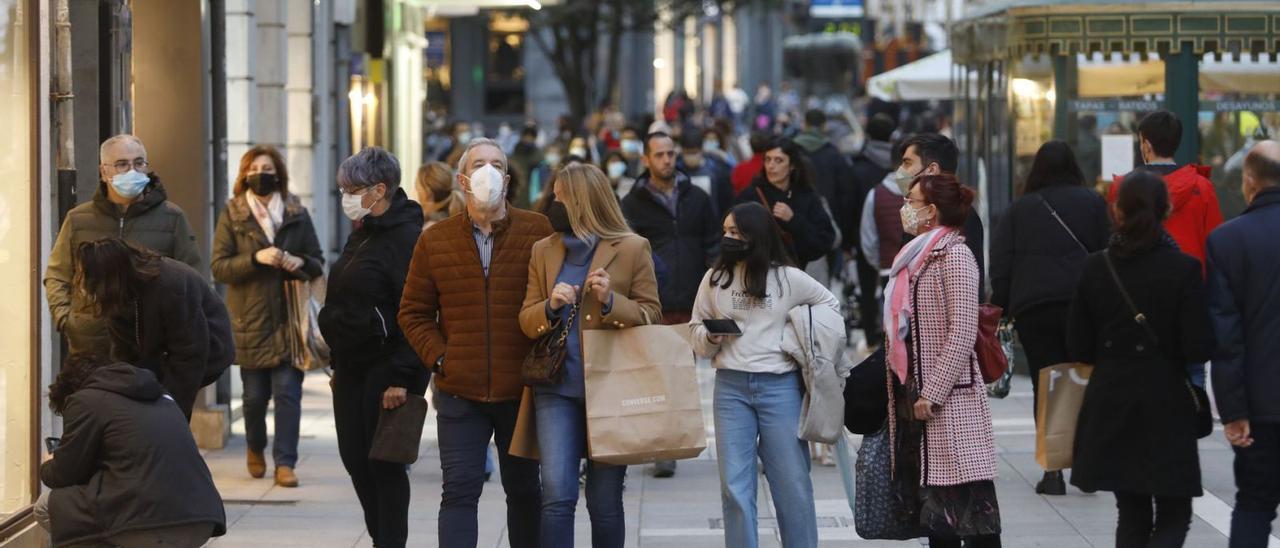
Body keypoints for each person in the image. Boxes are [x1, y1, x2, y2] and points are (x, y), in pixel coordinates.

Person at [398, 138, 550, 548]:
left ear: (507, 177)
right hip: (459, 392)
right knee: (460, 492)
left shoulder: (537, 231)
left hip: (520, 390)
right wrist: (441, 358)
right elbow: (412, 312)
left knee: (524, 492)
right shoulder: (435, 240)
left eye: (497, 164)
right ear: (463, 178)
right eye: (480, 164)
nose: (489, 171)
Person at [517, 163, 662, 548]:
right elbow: (525, 320)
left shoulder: (631, 248)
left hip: (612, 388)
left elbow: (652, 315)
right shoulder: (543, 251)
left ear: (583, 200)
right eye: (553, 194)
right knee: (558, 495)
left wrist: (611, 301)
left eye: (560, 196)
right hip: (556, 387)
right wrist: (549, 306)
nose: (553, 202)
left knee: (605, 500)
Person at [1068, 170, 1214, 547]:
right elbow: (1199, 345)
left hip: (1112, 398)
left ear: (1116, 211)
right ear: (1165, 210)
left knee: (1130, 511)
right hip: (1166, 400)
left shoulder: (1096, 267)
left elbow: (1078, 346)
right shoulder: (1183, 269)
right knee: (1175, 511)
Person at [687, 201, 835, 547]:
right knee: (734, 487)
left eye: (735, 232)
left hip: (780, 387)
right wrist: (709, 337)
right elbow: (694, 329)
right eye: (725, 231)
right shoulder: (715, 278)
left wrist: (797, 337)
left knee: (792, 484)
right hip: (730, 389)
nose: (728, 238)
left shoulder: (787, 278)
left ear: (756, 235)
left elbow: (830, 307)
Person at [319, 147, 431, 548]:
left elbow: (416, 310)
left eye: (351, 188)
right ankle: (381, 537)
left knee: (383, 463)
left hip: (389, 368)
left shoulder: (406, 238)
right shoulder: (363, 231)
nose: (344, 196)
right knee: (355, 459)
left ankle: (388, 542)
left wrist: (403, 377)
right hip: (351, 366)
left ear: (379, 189)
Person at [885, 174, 1001, 548]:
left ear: (931, 210)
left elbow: (963, 331)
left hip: (950, 400)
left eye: (912, 200)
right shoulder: (918, 256)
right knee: (942, 518)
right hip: (924, 399)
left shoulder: (955, 255)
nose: (906, 207)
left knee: (974, 518)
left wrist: (932, 393)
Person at [989, 141, 1111, 496]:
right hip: (1083, 305)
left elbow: (1002, 260)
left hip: (1035, 307)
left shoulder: (1020, 209)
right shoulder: (1092, 203)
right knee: (1083, 379)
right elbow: (1108, 251)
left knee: (1048, 384)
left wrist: (1003, 305)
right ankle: (1087, 466)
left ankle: (1053, 470)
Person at [211, 145, 325, 487]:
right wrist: (256, 259)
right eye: (256, 167)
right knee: (253, 397)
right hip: (251, 319)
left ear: (279, 174)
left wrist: (299, 262)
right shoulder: (233, 215)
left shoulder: (296, 212)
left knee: (288, 393)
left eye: (268, 167)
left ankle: (285, 463)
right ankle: (254, 447)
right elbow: (219, 267)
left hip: (290, 321)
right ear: (245, 174)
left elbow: (317, 260)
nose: (262, 173)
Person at [35, 353, 226, 548]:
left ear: (70, 391)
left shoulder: (86, 399)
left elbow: (64, 475)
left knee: (47, 506)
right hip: (201, 519)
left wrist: (49, 462)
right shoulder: (162, 396)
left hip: (154, 525)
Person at [44, 134, 203, 357]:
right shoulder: (79, 219)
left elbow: (192, 278)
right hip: (90, 347)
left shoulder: (172, 217)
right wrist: (67, 320)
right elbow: (57, 274)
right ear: (104, 171)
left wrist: (173, 327)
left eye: (139, 163)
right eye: (121, 164)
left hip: (149, 348)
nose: (132, 171)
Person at [620, 131, 721, 478]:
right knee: (657, 375)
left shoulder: (698, 198)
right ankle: (662, 446)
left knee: (682, 375)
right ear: (645, 160)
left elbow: (713, 242)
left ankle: (672, 438)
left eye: (670, 153)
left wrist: (714, 284)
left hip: (691, 298)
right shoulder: (632, 203)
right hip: (653, 302)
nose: (667, 160)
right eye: (659, 154)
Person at [1206, 140, 1280, 547]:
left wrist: (1232, 410)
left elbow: (1226, 335)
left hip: (1258, 402)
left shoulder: (1227, 241)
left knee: (1253, 504)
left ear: (1249, 182)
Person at [74, 238, 233, 418]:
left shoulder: (171, 285)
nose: (82, 285)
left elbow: (189, 357)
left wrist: (171, 416)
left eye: (86, 278)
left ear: (106, 279)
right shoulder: (117, 294)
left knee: (166, 413)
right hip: (162, 351)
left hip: (210, 347)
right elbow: (123, 353)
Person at [1109, 109, 1223, 269]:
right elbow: (1216, 244)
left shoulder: (1122, 187)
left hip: (1133, 279)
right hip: (1190, 282)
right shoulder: (1202, 187)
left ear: (1147, 146)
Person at [895, 133, 986, 290]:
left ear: (931, 170)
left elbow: (968, 292)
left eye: (907, 164)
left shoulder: (962, 216)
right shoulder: (917, 215)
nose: (900, 171)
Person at [733, 137, 836, 266]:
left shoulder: (806, 195)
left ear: (792, 165)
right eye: (767, 159)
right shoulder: (750, 195)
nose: (771, 166)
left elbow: (824, 240)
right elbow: (733, 235)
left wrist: (794, 220)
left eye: (778, 160)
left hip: (794, 275)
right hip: (757, 274)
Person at [847, 113, 898, 343]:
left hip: (861, 233)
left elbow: (847, 204)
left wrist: (849, 242)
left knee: (867, 289)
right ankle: (893, 334)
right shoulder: (900, 168)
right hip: (899, 236)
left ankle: (871, 335)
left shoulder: (858, 167)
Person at [794, 109, 850, 221]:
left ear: (804, 125)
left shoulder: (791, 151)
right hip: (829, 218)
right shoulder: (835, 154)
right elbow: (846, 192)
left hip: (795, 217)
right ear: (824, 126)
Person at [677, 130, 735, 218]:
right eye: (688, 153)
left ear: (701, 150)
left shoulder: (716, 170)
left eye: (694, 152)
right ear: (682, 151)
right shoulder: (677, 170)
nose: (691, 157)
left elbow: (724, 200)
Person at [414, 160, 465, 228]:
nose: (414, 190)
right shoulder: (460, 220)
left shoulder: (430, 227)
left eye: (416, 186)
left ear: (427, 193)